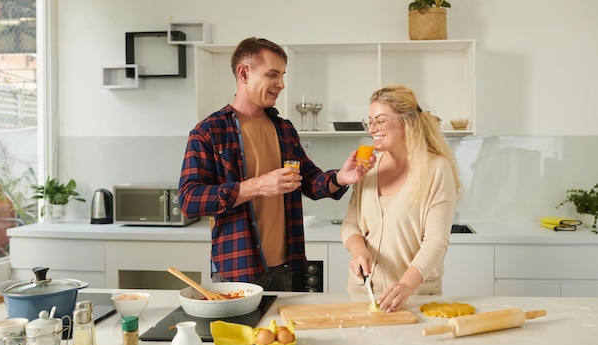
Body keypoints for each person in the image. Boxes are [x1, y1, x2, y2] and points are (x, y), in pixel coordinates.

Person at [178, 37, 374, 290]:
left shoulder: (283, 128)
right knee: (240, 331)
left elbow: (309, 181)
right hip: (238, 269)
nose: (280, 84)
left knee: (287, 331)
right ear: (244, 73)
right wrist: (257, 186)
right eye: (272, 75)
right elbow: (189, 200)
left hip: (289, 266)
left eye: (282, 75)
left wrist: (339, 178)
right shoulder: (209, 131)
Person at [341, 85, 462, 311]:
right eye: (370, 121)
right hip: (363, 293)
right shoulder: (369, 167)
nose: (372, 128)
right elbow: (351, 224)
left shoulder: (435, 169)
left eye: (380, 120)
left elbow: (436, 241)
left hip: (414, 297)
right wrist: (358, 251)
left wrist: (406, 285)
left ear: (406, 122)